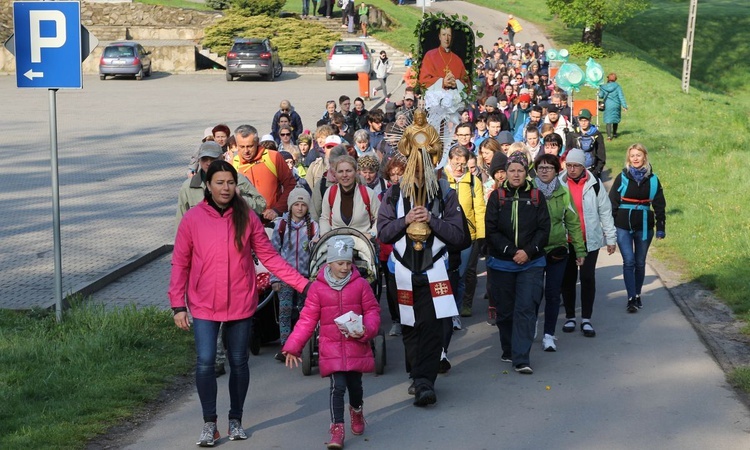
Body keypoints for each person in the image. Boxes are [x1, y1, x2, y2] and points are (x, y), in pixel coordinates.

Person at [169, 160, 311, 447]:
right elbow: (180, 263)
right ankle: (210, 423)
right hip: (204, 303)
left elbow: (270, 258)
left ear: (237, 186)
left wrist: (304, 284)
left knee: (238, 362)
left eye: (230, 182)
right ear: (208, 186)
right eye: (219, 182)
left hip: (240, 302)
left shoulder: (246, 216)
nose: (225, 188)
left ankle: (235, 419)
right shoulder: (193, 219)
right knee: (206, 361)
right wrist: (178, 305)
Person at [377, 110, 468, 406]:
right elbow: (384, 233)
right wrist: (405, 221)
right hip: (402, 271)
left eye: (424, 164)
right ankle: (416, 375)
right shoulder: (393, 196)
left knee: (430, 326)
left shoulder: (445, 195)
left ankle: (425, 381)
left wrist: (432, 220)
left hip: (435, 270)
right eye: (413, 165)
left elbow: (459, 236)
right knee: (409, 326)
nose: (419, 171)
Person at [282, 235, 380, 450]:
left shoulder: (361, 285)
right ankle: (337, 429)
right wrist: (292, 346)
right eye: (340, 263)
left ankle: (356, 411)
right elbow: (307, 319)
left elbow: (373, 311)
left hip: (356, 344)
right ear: (329, 263)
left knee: (355, 386)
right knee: (337, 387)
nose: (345, 268)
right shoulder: (318, 289)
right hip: (331, 347)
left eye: (348, 263)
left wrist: (367, 329)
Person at [485, 151, 549, 374]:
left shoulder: (537, 196)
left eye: (520, 170)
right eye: (511, 170)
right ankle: (509, 348)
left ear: (526, 172)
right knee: (505, 311)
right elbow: (491, 230)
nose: (515, 174)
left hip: (531, 264)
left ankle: (521, 358)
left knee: (525, 308)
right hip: (502, 264)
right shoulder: (497, 196)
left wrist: (527, 252)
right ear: (505, 172)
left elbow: (544, 230)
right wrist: (512, 251)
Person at [558, 149, 616, 338]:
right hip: (567, 241)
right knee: (567, 279)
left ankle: (586, 318)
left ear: (583, 166)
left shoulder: (595, 184)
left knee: (588, 278)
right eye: (569, 165)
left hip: (589, 240)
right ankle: (570, 316)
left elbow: (605, 211)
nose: (572, 169)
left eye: (576, 166)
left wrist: (611, 238)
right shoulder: (559, 183)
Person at [533, 153, 586, 352]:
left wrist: (579, 249)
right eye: (541, 167)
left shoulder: (563, 193)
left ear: (557, 171)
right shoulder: (529, 191)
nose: (544, 171)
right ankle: (532, 327)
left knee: (553, 294)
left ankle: (549, 335)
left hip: (557, 250)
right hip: (534, 251)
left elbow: (572, 222)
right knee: (533, 294)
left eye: (549, 167)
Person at [609, 143, 666, 312]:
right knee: (629, 261)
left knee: (640, 263)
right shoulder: (622, 177)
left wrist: (661, 226)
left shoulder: (653, 180)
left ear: (644, 157)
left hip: (644, 226)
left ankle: (638, 294)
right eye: (632, 155)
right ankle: (631, 298)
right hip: (622, 226)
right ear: (628, 158)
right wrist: (610, 228)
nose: (635, 158)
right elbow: (612, 202)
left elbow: (660, 204)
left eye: (638, 155)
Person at [271, 188, 319, 361]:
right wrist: (274, 278)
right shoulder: (281, 225)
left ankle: (301, 347)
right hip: (285, 278)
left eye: (303, 205)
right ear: (290, 206)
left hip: (305, 279)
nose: (299, 208)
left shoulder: (313, 227)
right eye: (296, 204)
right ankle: (285, 348)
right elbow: (273, 253)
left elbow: (317, 255)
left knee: (303, 312)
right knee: (284, 312)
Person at [233, 125, 297, 224]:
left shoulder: (273, 157)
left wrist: (277, 210)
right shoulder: (233, 164)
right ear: (236, 144)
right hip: (244, 222)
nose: (246, 151)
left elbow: (290, 185)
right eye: (242, 147)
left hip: (272, 221)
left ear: (257, 142)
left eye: (250, 146)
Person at [320, 155, 380, 238]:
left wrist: (372, 234)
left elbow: (379, 217)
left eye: (348, 171)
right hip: (337, 244)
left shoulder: (368, 193)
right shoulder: (330, 192)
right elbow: (325, 218)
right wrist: (325, 235)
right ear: (335, 174)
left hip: (363, 246)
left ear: (356, 172)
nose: (344, 175)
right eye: (340, 171)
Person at [418, 25, 469, 92]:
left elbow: (467, 85)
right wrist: (442, 82)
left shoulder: (458, 60)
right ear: (439, 36)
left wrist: (456, 84)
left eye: (449, 35)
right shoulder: (430, 55)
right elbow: (423, 81)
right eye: (444, 34)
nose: (446, 38)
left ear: (452, 38)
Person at [564, 109, 606, 177]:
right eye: (581, 120)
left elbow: (601, 156)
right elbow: (567, 153)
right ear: (578, 120)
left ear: (590, 120)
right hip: (575, 172)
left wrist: (596, 172)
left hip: (592, 171)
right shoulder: (572, 135)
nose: (583, 123)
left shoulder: (597, 135)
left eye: (585, 120)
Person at [599, 72, 628, 141]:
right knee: (615, 119)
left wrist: (599, 91)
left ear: (608, 79)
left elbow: (601, 96)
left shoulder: (604, 87)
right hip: (616, 105)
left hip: (608, 105)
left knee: (608, 120)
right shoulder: (618, 87)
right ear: (615, 79)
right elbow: (621, 96)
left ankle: (609, 137)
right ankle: (614, 134)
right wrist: (624, 105)